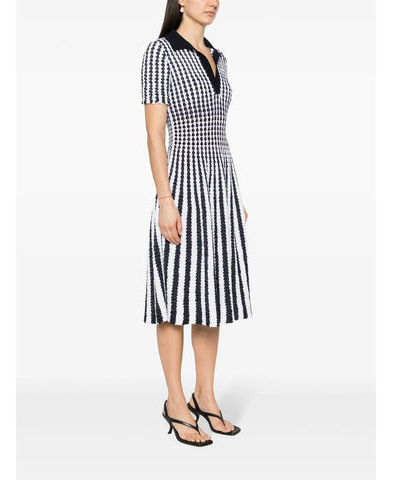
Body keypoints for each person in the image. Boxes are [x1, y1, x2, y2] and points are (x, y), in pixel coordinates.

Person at [140, 0, 253, 447]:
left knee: (212, 295)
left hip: (220, 185)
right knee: (174, 294)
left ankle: (205, 395)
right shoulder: (160, 52)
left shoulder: (218, 56)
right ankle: (175, 402)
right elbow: (155, 132)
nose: (212, 2)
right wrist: (166, 200)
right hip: (182, 185)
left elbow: (220, 132)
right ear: (180, 1)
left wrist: (233, 195)